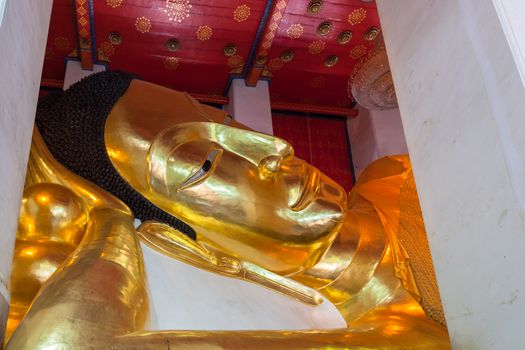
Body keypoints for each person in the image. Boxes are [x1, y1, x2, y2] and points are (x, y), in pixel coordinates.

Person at [5, 72, 450, 349]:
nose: (276, 149)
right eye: (204, 164)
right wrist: (109, 232)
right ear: (195, 245)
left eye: (228, 123)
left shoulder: (407, 179)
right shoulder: (395, 331)